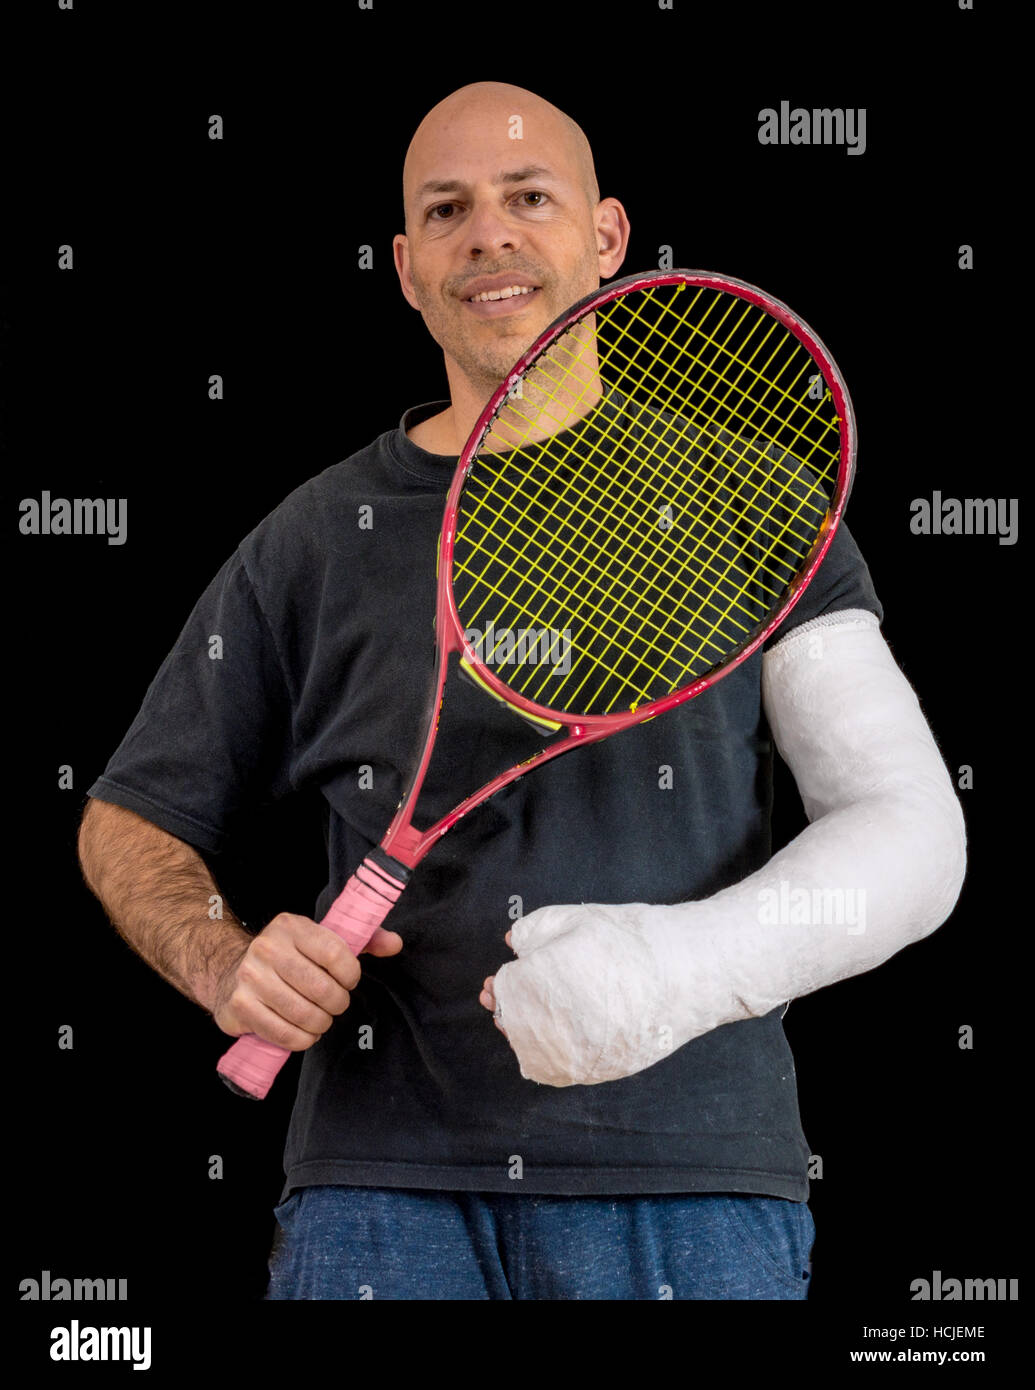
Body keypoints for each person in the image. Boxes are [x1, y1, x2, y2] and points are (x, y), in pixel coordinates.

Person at [77, 82, 966, 1301]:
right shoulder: (315, 537)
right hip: (373, 1195)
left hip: (691, 1189)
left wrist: (666, 972)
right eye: (447, 210)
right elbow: (127, 818)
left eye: (527, 198)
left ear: (605, 236)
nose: (487, 234)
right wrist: (223, 962)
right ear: (404, 266)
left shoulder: (754, 497)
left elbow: (909, 832)